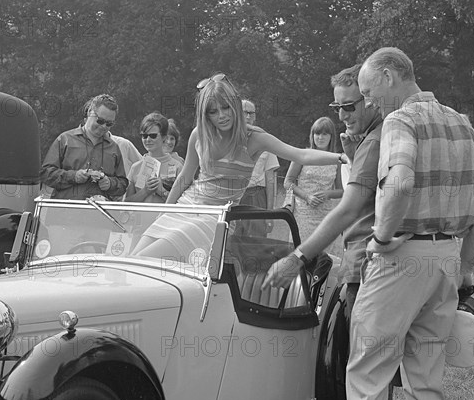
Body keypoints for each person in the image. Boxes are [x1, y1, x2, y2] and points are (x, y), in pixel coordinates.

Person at [336, 47, 474, 400]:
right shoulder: (462, 123)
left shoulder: (401, 120)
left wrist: (381, 238)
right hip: (445, 260)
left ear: (388, 76)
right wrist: (466, 266)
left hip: (400, 258)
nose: (368, 101)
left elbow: (399, 181)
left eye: (367, 91)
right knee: (426, 385)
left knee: (367, 379)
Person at [262, 63, 396, 400]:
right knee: (371, 376)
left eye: (350, 105)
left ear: (371, 97)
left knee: (366, 378)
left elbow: (352, 206)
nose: (343, 116)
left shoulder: (375, 140)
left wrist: (298, 257)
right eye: (336, 108)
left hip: (367, 262)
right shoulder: (364, 138)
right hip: (364, 259)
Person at [132, 73, 346, 260]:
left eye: (226, 107)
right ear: (205, 114)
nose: (222, 115)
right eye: (213, 111)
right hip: (185, 208)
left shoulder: (253, 137)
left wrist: (342, 157)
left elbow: (301, 154)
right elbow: (184, 179)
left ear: (235, 105)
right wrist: (164, 213)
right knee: (132, 259)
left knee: (145, 259)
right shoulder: (199, 134)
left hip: (214, 219)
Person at [40, 94, 128, 200]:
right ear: (89, 113)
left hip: (99, 213)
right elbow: (45, 174)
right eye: (100, 121)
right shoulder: (65, 140)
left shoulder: (114, 148)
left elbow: (123, 184)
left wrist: (110, 184)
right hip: (66, 211)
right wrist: (73, 176)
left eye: (109, 124)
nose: (104, 126)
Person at [284, 116, 343, 253]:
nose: (320, 137)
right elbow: (288, 182)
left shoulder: (336, 160)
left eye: (324, 134)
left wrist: (328, 194)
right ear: (312, 135)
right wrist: (306, 196)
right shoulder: (302, 155)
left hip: (325, 215)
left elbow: (342, 190)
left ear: (331, 136)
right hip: (303, 213)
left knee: (323, 257)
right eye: (317, 133)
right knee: (300, 253)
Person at [236, 99, 280, 237]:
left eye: (251, 113)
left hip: (256, 196)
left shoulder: (264, 140)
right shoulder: (227, 139)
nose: (248, 117)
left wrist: (269, 213)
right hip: (233, 195)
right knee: (230, 240)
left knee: (256, 242)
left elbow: (271, 179)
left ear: (255, 117)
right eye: (244, 113)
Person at [125, 112, 184, 203]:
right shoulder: (135, 167)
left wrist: (162, 191)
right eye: (144, 136)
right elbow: (126, 203)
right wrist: (145, 191)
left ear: (164, 137)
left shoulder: (177, 167)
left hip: (165, 217)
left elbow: (183, 203)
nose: (148, 140)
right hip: (140, 217)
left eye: (153, 136)